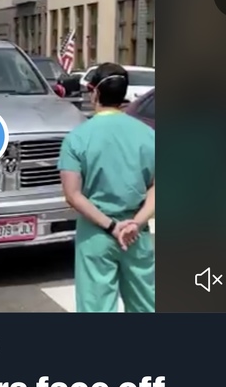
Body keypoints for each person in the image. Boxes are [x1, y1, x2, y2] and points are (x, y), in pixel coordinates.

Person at [58, 62, 155, 313]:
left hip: (96, 234)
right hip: (137, 232)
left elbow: (73, 195)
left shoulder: (77, 138)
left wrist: (111, 226)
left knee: (96, 308)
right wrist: (137, 223)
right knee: (146, 305)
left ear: (94, 92)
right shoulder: (148, 135)